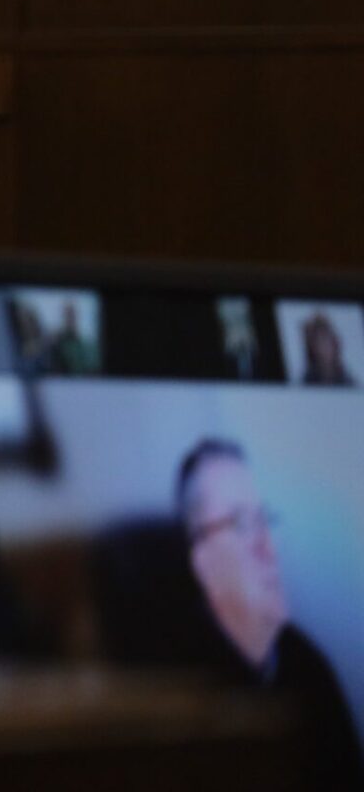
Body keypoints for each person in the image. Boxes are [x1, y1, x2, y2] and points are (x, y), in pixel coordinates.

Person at [176, 438, 362, 781]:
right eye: (241, 524)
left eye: (265, 521)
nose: (267, 548)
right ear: (202, 560)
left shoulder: (309, 664)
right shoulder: (174, 683)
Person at [302, 313, 356, 387]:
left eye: (325, 340)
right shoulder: (306, 382)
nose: (324, 348)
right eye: (318, 342)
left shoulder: (348, 382)